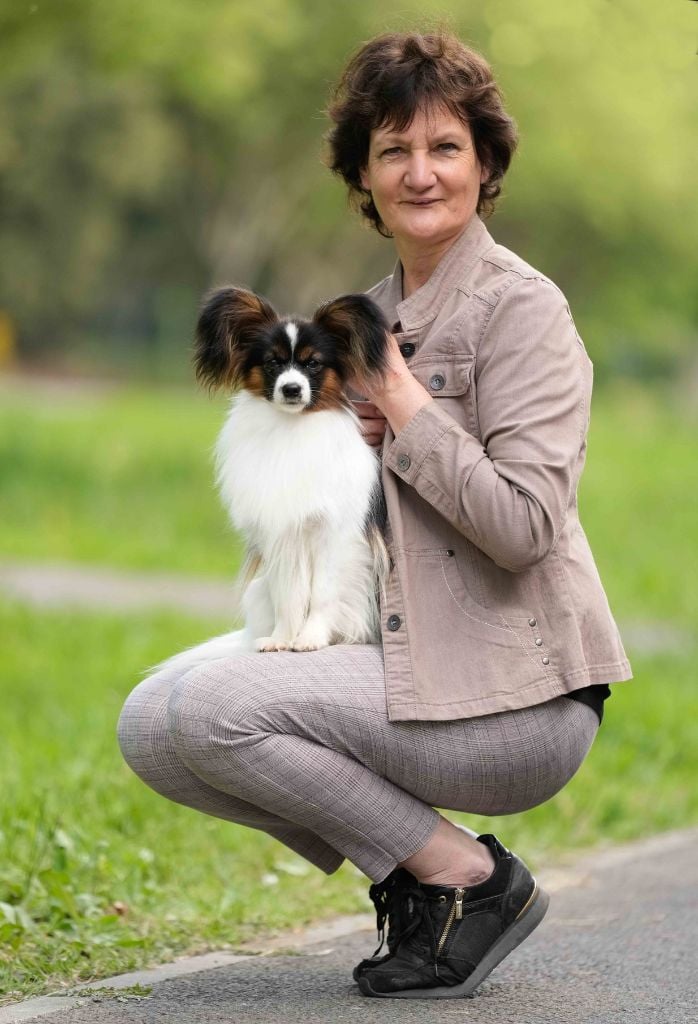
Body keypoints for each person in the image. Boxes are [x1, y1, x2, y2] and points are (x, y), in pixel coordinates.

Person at [117, 30, 633, 1000]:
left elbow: (525, 524)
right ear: (362, 172)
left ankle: (468, 882)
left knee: (217, 712)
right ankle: (422, 872)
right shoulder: (352, 323)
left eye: (444, 147)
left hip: (514, 694)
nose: (419, 171)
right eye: (392, 150)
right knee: (154, 721)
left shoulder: (522, 312)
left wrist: (401, 406)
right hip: (394, 661)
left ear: (484, 164)